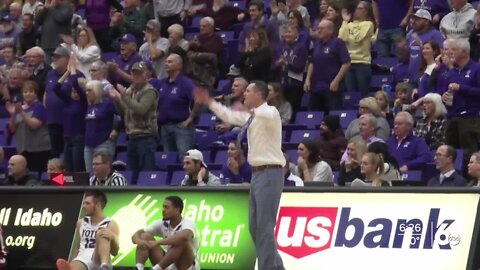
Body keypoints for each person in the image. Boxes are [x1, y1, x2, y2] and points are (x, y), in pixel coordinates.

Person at [195, 80, 286, 270]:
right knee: (255, 228)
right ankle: (277, 267)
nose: (244, 94)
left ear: (259, 95)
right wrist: (209, 102)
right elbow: (228, 115)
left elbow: (263, 114)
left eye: (248, 91)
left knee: (265, 227)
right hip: (258, 174)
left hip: (270, 171)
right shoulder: (252, 117)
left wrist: (248, 111)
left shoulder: (270, 112)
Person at [109, 61, 158, 182]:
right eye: (134, 73)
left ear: (146, 75)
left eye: (139, 73)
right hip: (132, 137)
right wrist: (117, 100)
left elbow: (141, 110)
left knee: (147, 173)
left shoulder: (150, 91)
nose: (136, 76)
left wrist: (124, 96)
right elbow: (125, 112)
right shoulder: (130, 90)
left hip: (146, 137)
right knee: (131, 174)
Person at [442, 38, 480, 174]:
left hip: (469, 117)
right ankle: (451, 180)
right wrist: (444, 97)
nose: (451, 52)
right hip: (452, 117)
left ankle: (471, 181)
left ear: (464, 52)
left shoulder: (476, 69)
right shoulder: (452, 71)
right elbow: (446, 90)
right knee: (450, 153)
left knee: (468, 152)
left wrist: (461, 87)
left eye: (454, 49)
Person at [131, 195, 200, 270]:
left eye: (166, 207)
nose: (163, 210)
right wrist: (139, 241)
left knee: (181, 241)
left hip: (185, 265)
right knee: (145, 236)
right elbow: (139, 233)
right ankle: (139, 267)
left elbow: (185, 237)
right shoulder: (162, 223)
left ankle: (157, 268)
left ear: (177, 209)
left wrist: (157, 242)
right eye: (163, 207)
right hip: (166, 263)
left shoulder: (188, 223)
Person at [56, 190, 120, 270]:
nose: (83, 206)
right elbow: (78, 247)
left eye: (87, 203)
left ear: (98, 205)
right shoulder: (80, 222)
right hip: (83, 258)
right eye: (84, 203)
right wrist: (72, 261)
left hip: (99, 259)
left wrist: (113, 237)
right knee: (75, 265)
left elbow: (115, 252)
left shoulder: (111, 224)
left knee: (102, 233)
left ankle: (104, 267)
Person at [157, 54, 201, 159]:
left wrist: (191, 118)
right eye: (166, 61)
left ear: (179, 65)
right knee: (168, 160)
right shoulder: (163, 83)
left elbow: (199, 98)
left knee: (185, 159)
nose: (166, 64)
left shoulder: (185, 82)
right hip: (165, 127)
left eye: (170, 62)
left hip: (181, 127)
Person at [304, 19, 351, 113]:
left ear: (330, 30)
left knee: (333, 115)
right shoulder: (317, 44)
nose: (318, 31)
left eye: (321, 28)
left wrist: (336, 81)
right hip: (316, 87)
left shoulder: (338, 43)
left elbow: (346, 63)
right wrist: (307, 79)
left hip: (331, 87)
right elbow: (312, 62)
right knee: (314, 115)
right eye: (318, 28)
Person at [52, 57, 87, 172]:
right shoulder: (68, 101)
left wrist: (73, 69)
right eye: (72, 91)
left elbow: (75, 83)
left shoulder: (83, 101)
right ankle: (69, 190)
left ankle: (81, 190)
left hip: (78, 138)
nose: (74, 93)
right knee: (68, 169)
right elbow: (56, 88)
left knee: (78, 168)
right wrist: (67, 72)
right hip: (66, 137)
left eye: (76, 91)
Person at [7, 80, 51, 172]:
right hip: (23, 149)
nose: (28, 94)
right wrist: (13, 114)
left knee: (37, 175)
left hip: (38, 149)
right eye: (25, 92)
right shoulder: (19, 109)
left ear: (35, 94)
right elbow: (12, 129)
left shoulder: (39, 107)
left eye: (31, 91)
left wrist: (21, 112)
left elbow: (34, 125)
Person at [339, 1, 375, 97]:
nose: (357, 11)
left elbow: (358, 38)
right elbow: (342, 38)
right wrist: (345, 21)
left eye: (360, 8)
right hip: (349, 64)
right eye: (357, 8)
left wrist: (352, 29)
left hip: (362, 63)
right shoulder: (349, 24)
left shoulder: (368, 24)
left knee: (363, 95)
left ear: (366, 11)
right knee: (351, 95)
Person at [84, 80, 117, 173]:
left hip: (103, 143)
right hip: (88, 145)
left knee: (103, 173)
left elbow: (123, 115)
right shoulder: (90, 106)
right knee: (90, 175)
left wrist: (116, 129)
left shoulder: (107, 104)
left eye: (89, 90)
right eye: (86, 90)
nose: (87, 93)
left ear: (97, 90)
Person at [407, 9, 444, 87]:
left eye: (418, 19)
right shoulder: (412, 34)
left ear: (427, 21)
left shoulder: (435, 34)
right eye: (413, 19)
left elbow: (442, 52)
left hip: (427, 77)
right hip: (412, 78)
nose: (414, 21)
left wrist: (420, 43)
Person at [276, 25, 308, 115]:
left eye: (290, 32)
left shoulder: (301, 47)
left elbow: (300, 68)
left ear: (296, 34)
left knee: (293, 110)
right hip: (282, 85)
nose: (287, 34)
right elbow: (272, 66)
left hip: (295, 85)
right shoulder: (280, 48)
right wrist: (277, 64)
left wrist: (287, 64)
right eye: (286, 32)